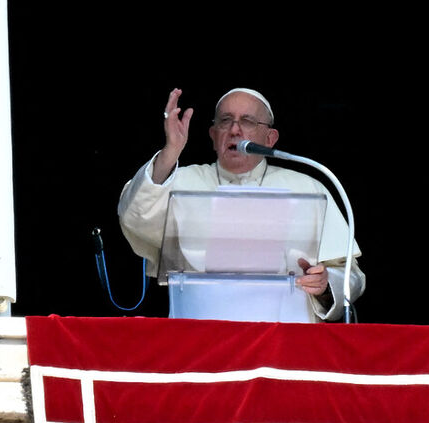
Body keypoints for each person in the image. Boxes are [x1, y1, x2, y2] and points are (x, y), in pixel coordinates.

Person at [118, 87, 364, 322]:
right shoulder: (180, 182)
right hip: (199, 337)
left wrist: (324, 284)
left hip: (285, 341)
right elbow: (134, 216)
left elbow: (351, 276)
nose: (235, 130)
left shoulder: (308, 188)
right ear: (214, 136)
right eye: (225, 120)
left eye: (247, 121)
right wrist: (171, 151)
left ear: (270, 138)